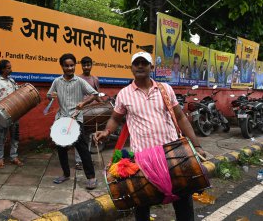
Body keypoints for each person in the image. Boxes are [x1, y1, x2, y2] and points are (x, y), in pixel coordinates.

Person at [95, 52, 205, 221]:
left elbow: (181, 117)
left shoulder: (165, 89)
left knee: (183, 203)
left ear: (151, 67)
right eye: (136, 63)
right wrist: (106, 131)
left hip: (172, 155)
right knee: (142, 204)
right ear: (131, 68)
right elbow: (115, 118)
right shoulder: (124, 94)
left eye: (144, 63)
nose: (140, 66)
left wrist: (196, 146)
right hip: (142, 160)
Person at [47, 53, 98, 190]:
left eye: (72, 65)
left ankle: (92, 177)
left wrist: (84, 102)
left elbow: (94, 94)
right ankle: (66, 174)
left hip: (76, 118)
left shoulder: (80, 81)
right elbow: (49, 95)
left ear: (74, 66)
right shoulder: (57, 81)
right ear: (62, 66)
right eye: (66, 66)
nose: (69, 68)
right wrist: (51, 96)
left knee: (82, 148)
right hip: (62, 118)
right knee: (61, 148)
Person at [74, 56, 101, 170]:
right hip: (80, 111)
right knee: (79, 136)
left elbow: (97, 94)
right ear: (81, 66)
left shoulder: (95, 79)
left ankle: (86, 159)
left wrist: (102, 103)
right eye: (84, 65)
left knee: (89, 136)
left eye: (88, 65)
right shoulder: (77, 78)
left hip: (92, 112)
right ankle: (78, 161)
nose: (86, 67)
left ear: (91, 65)